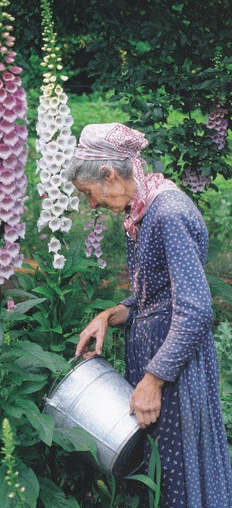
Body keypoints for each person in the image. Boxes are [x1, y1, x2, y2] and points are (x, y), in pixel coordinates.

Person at [65, 123, 232, 507]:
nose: (91, 204)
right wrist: (110, 314)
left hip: (176, 376)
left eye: (88, 193)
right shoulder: (139, 210)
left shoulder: (168, 213)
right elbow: (157, 294)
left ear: (108, 175)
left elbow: (194, 310)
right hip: (156, 370)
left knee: (178, 479)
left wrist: (153, 381)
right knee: (156, 477)